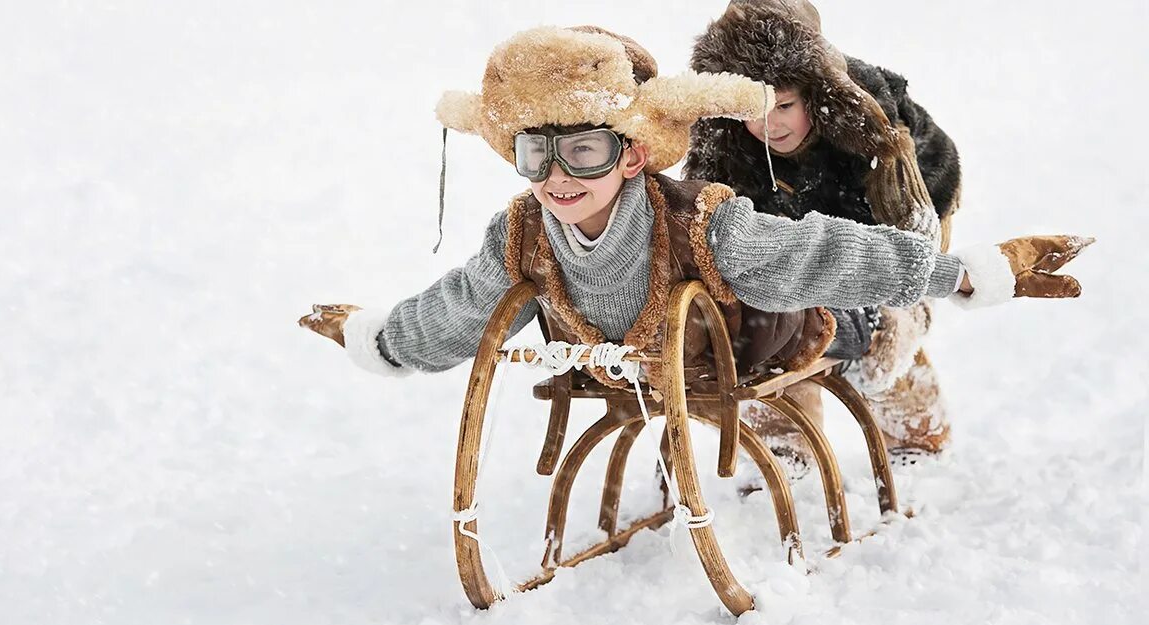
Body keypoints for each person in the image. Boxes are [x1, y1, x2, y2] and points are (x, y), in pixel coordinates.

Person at [297, 25, 1088, 421]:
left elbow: (816, 251)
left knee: (865, 346)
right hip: (636, 367)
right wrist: (385, 338)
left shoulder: (704, 224)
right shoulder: (523, 236)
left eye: (582, 152)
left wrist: (954, 272)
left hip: (759, 338)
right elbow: (463, 305)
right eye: (534, 155)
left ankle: (900, 383)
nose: (557, 179)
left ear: (634, 154)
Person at [685, 0, 968, 462]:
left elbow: (912, 240)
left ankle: (918, 435)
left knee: (886, 325)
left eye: (784, 105)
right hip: (798, 244)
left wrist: (879, 288)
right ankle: (784, 447)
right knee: (772, 327)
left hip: (898, 223)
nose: (768, 124)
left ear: (814, 92)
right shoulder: (729, 138)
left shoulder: (869, 125)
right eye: (753, 110)